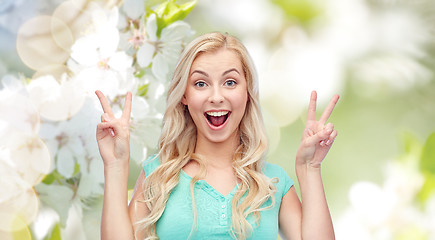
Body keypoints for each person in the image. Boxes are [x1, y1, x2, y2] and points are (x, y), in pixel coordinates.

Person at [95, 32, 339, 240]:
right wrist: (115, 165)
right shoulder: (158, 175)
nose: (216, 96)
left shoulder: (274, 183)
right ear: (184, 96)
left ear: (247, 92)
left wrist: (310, 167)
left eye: (230, 82)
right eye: (201, 84)